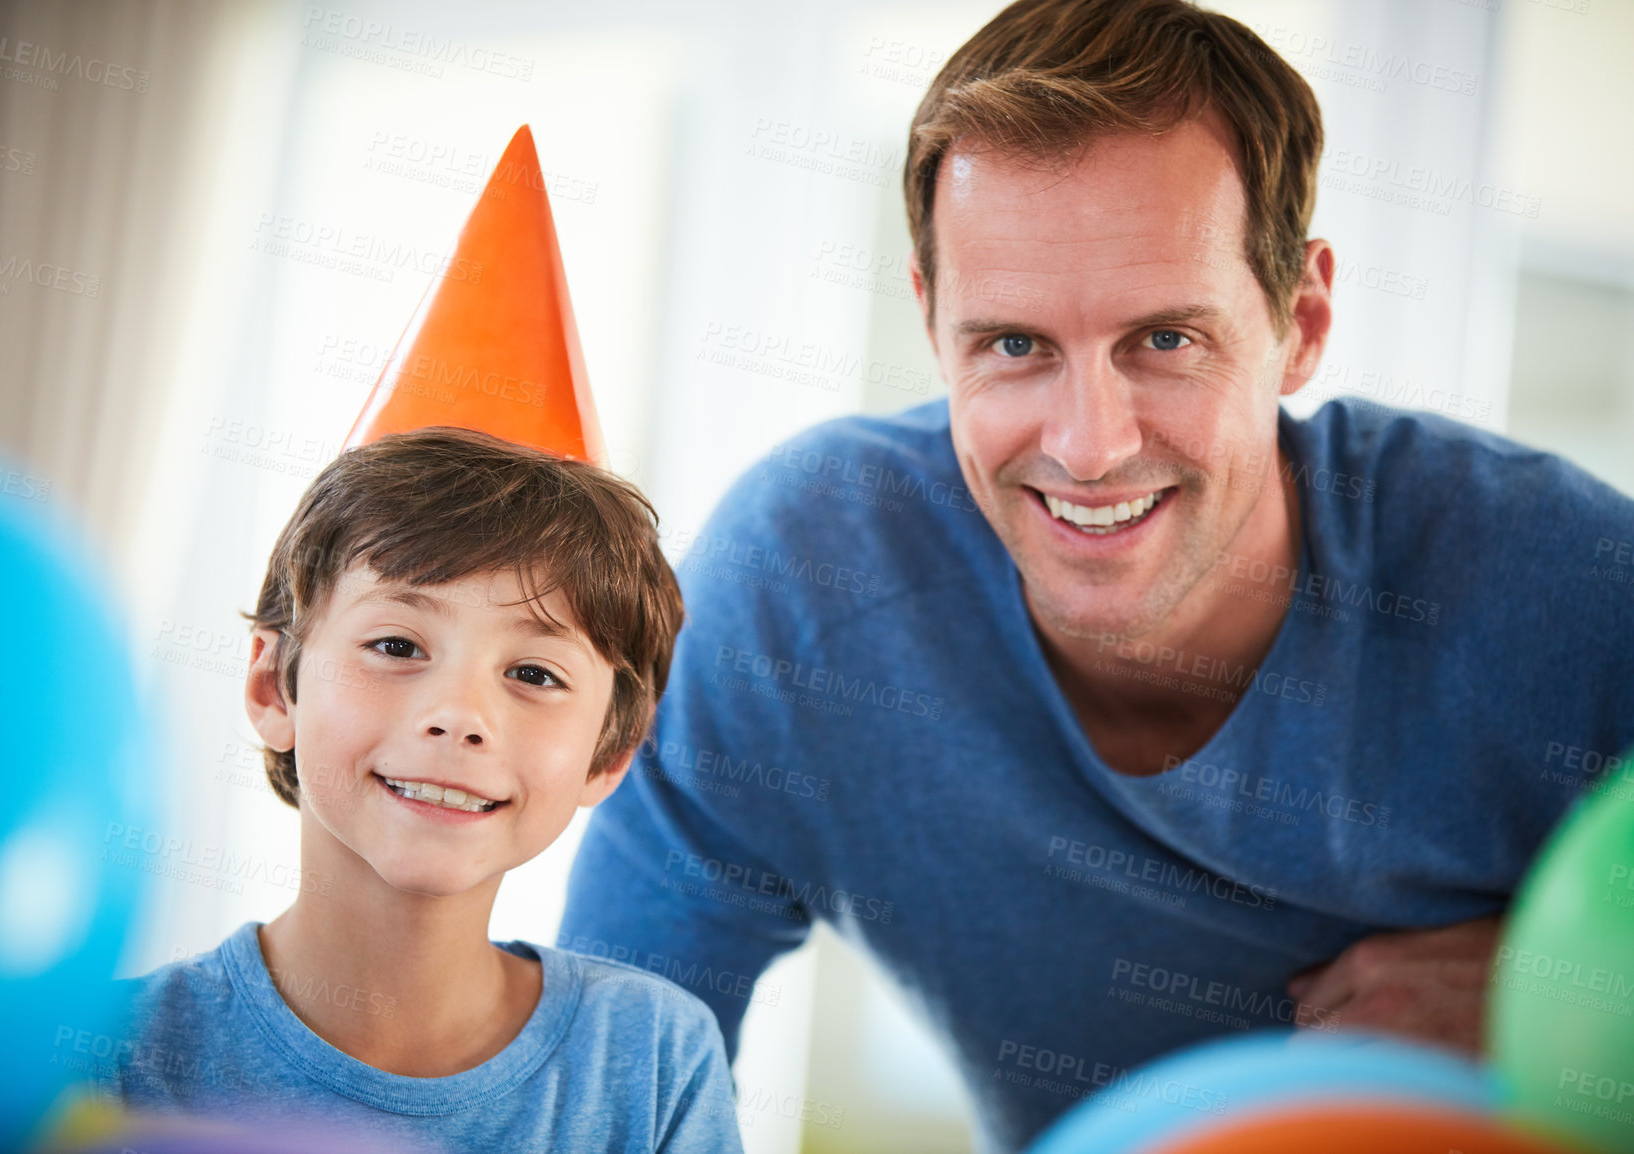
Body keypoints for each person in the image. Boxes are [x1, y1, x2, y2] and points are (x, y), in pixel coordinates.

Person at [559, 1, 1634, 1151]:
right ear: (934, 324)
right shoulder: (806, 589)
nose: (1087, 443)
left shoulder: (1556, 585)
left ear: (1301, 319)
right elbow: (591, 1091)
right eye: (1014, 344)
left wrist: (1571, 1007)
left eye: (1163, 340)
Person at [104, 426, 741, 1152]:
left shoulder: (656, 1058)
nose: (460, 717)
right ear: (272, 686)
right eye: (397, 646)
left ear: (610, 753)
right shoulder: (105, 1057)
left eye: (535, 674)